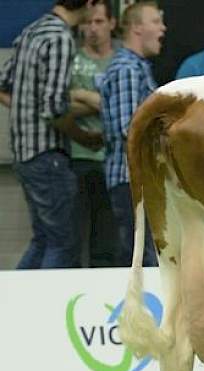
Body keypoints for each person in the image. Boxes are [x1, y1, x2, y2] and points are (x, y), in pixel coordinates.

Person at [0, 0, 101, 269]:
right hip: (48, 154)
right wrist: (84, 138)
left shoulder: (31, 31)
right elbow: (54, 108)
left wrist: (26, 108)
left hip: (24, 153)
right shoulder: (59, 37)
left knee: (44, 239)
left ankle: (14, 303)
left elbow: (3, 84)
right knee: (63, 243)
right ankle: (45, 308)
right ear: (88, 4)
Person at [100, 0, 166, 267]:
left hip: (138, 178)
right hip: (131, 179)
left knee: (144, 253)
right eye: (156, 21)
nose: (163, 28)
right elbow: (129, 129)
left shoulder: (136, 67)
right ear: (137, 28)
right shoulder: (127, 70)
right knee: (141, 255)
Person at [69, 0, 121, 267]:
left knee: (108, 233)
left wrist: (83, 95)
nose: (92, 28)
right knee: (74, 233)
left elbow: (125, 104)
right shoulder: (73, 59)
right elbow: (60, 105)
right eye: (87, 22)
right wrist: (97, 100)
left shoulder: (121, 59)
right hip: (78, 155)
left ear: (112, 23)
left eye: (99, 22)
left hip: (112, 159)